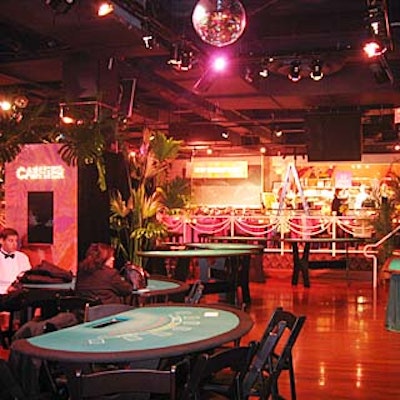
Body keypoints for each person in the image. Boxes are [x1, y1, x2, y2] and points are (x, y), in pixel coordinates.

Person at [0, 228, 31, 295]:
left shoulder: (22, 257)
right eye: (11, 241)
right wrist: (6, 289)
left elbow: (26, 277)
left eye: (16, 241)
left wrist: (16, 287)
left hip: (17, 293)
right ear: (1, 241)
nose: (15, 244)